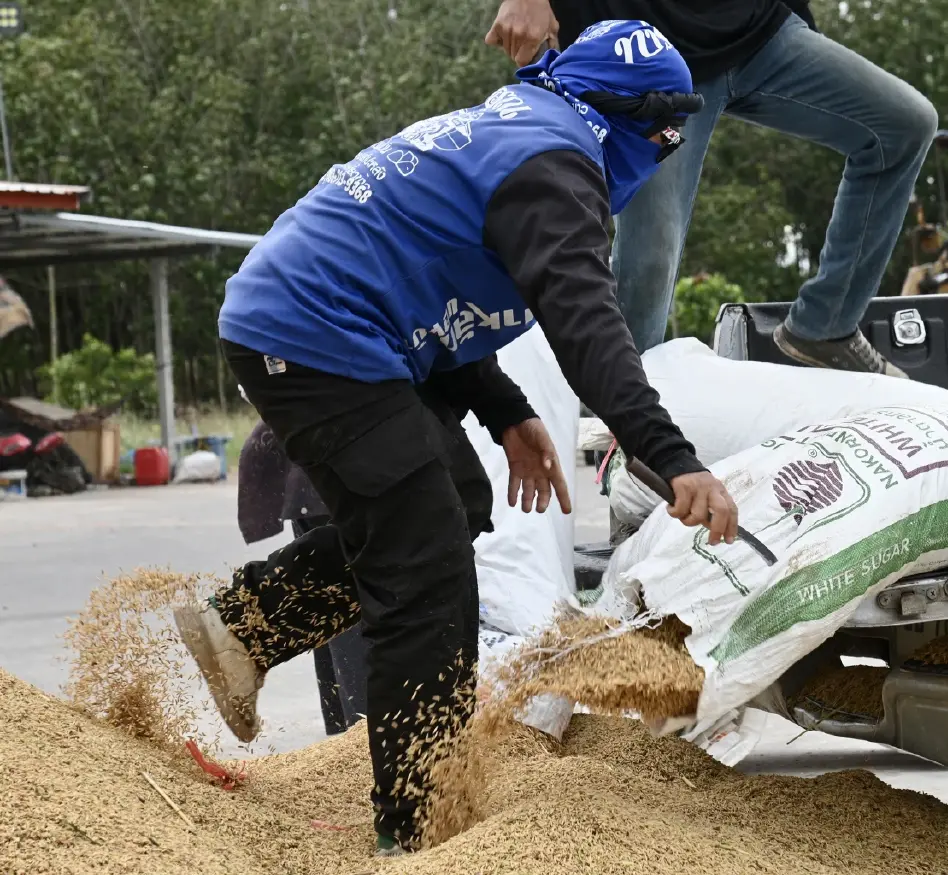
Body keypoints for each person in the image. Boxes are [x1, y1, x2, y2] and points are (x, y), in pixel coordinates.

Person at [172, 20, 738, 856]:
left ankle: (245, 628)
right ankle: (421, 826)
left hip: (342, 327)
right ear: (639, 127)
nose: (664, 158)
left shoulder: (527, 122)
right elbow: (588, 328)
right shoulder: (559, 167)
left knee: (459, 500)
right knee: (427, 566)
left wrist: (505, 411)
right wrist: (672, 455)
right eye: (664, 141)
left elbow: (431, 274)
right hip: (314, 334)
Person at [486, 0, 939, 376]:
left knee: (903, 124)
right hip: (651, 63)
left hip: (759, 34)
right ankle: (629, 422)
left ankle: (825, 327)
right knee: (651, 257)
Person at [235, 418, 368, 735]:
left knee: (329, 600)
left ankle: (344, 740)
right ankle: (361, 739)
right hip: (345, 470)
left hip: (318, 470)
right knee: (354, 607)